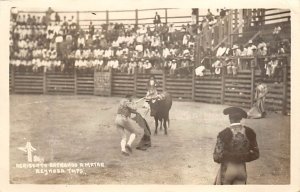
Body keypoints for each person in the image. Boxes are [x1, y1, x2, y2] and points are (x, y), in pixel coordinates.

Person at [213, 107, 260, 185]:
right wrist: (242, 156)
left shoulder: (224, 133)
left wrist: (229, 156)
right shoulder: (249, 132)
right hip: (242, 170)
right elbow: (256, 154)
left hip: (227, 169)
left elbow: (217, 157)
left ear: (229, 118)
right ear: (240, 119)